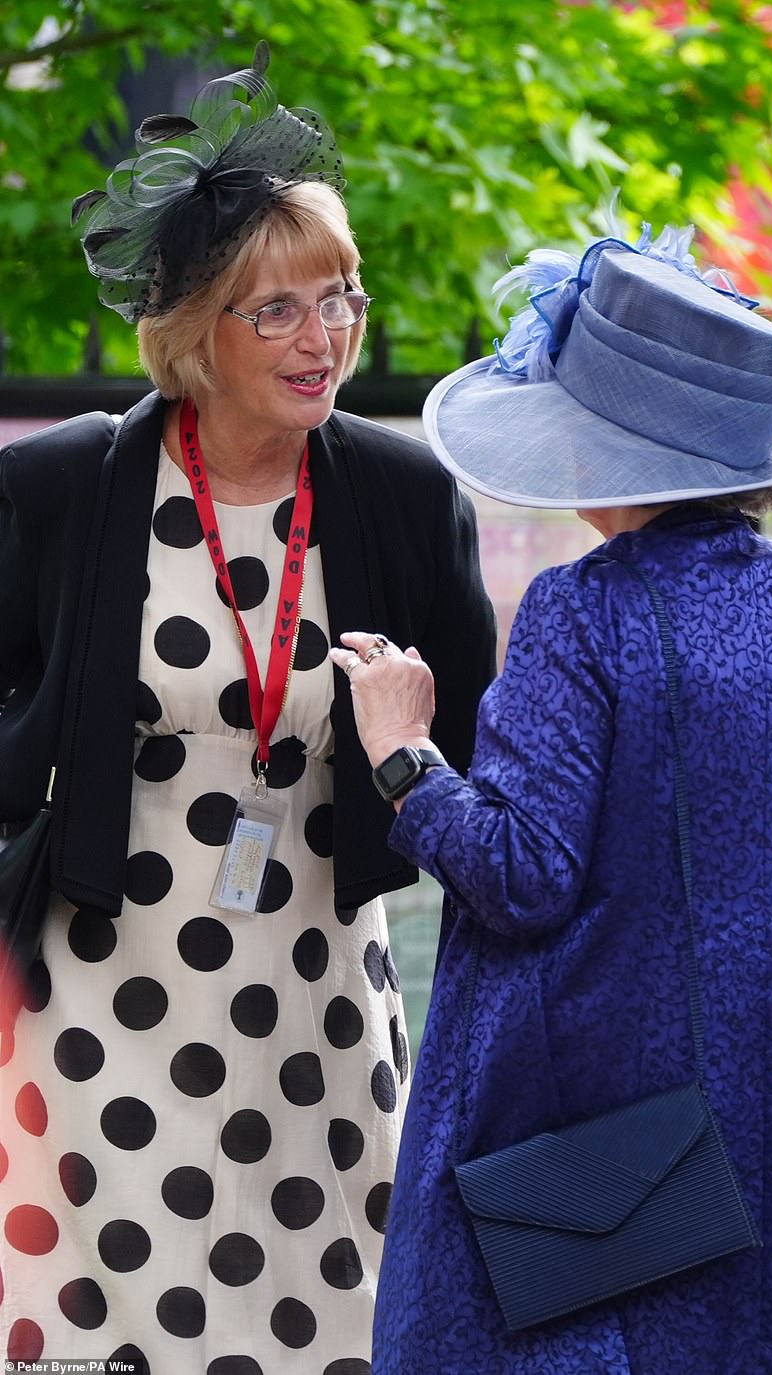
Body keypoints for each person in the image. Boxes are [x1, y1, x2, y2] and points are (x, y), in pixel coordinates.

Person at [330, 226, 772, 1374]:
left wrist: (403, 750)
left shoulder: (579, 612)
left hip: (594, 1163)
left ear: (598, 452)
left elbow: (520, 874)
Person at [0, 43, 495, 1374]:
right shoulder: (62, 492)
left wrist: (408, 745)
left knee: (323, 1311)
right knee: (102, 1322)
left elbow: (481, 745)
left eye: (337, 298)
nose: (323, 336)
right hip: (101, 983)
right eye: (273, 310)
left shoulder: (402, 495)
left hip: (317, 993)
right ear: (192, 332)